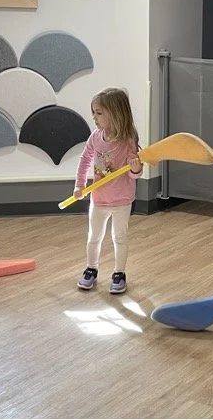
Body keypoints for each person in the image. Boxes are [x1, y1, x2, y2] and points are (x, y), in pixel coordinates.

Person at [73, 87, 143, 294]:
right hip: (99, 198)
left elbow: (135, 174)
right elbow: (85, 160)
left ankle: (119, 273)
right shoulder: (96, 137)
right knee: (94, 236)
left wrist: (135, 168)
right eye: (93, 112)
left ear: (115, 113)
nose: (94, 117)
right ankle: (91, 269)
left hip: (122, 199)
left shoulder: (128, 139)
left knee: (119, 238)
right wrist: (79, 185)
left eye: (99, 113)